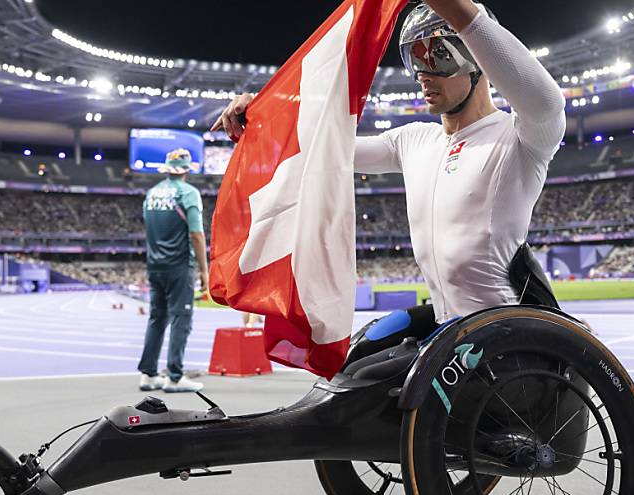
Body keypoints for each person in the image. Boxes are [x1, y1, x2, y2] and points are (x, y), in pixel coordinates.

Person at [213, 0, 566, 342]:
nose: (423, 76)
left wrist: (454, 9)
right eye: (414, 59)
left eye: (437, 58)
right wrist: (263, 113)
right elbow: (324, 147)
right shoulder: (412, 140)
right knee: (356, 368)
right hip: (449, 328)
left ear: (478, 63)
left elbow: (548, 101)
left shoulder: (522, 137)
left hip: (507, 333)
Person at [137, 148, 210, 393]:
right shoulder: (188, 193)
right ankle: (175, 377)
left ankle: (148, 375)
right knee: (182, 318)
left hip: (155, 264)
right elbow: (197, 235)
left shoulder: (152, 193)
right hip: (179, 266)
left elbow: (149, 229)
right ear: (187, 170)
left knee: (157, 318)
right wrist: (204, 270)